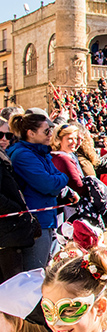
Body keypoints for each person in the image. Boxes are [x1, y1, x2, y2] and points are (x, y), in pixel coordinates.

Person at [8, 112, 75, 270]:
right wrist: (63, 179)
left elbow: (55, 178)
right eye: (46, 131)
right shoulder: (23, 155)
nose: (50, 134)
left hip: (46, 218)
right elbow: (48, 184)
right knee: (35, 273)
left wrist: (58, 179)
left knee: (44, 269)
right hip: (36, 221)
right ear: (31, 133)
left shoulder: (39, 153)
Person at [0, 117, 39, 283]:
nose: (4, 139)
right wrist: (15, 209)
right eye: (0, 135)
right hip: (6, 230)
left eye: (8, 136)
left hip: (11, 231)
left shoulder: (4, 156)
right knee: (13, 287)